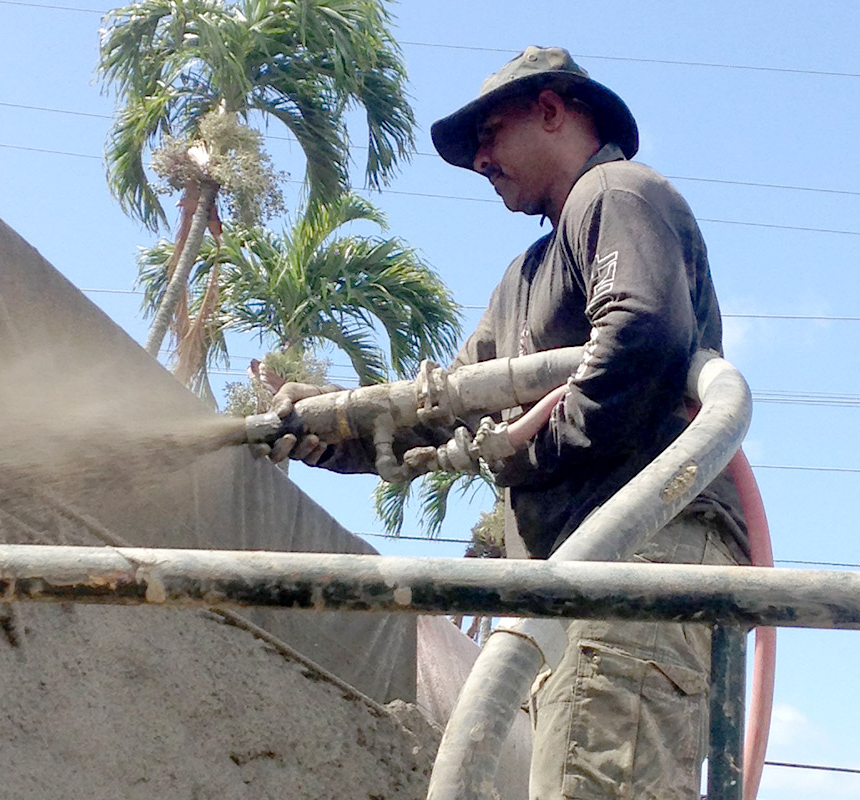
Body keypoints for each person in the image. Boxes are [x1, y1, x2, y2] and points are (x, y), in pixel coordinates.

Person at [267, 46, 749, 799]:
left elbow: (644, 334)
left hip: (635, 550)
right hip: (570, 574)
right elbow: (447, 410)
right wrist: (332, 431)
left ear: (554, 110)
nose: (481, 159)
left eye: (490, 134)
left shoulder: (616, 194)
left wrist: (529, 450)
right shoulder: (524, 279)